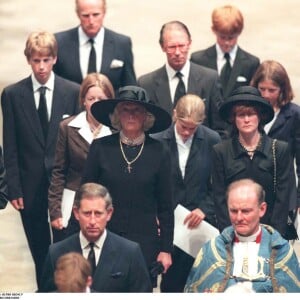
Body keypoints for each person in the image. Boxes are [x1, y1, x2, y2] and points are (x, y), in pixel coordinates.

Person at [1, 31, 80, 288]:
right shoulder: (13, 95)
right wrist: (14, 187)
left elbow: (76, 144)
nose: (42, 67)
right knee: (40, 252)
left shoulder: (72, 92)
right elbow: (10, 144)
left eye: (46, 60)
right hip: (30, 186)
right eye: (37, 61)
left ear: (55, 58)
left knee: (64, 251)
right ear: (28, 60)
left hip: (64, 187)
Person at [81, 85, 174, 287]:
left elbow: (166, 205)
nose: (131, 116)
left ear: (146, 117)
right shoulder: (100, 147)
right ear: (116, 115)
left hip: (145, 243)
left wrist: (166, 249)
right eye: (125, 110)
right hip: (105, 238)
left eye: (137, 110)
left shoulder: (160, 151)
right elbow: (84, 196)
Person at [152, 94, 221, 292]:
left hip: (198, 223)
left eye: (193, 128)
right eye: (183, 126)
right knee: (169, 284)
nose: (187, 132)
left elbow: (218, 183)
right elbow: (152, 184)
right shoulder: (158, 139)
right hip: (167, 223)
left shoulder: (212, 140)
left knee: (199, 282)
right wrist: (156, 214)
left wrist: (205, 208)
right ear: (175, 115)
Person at [185, 179, 300, 293]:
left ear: (262, 209)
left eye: (246, 211)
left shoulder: (282, 252)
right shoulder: (212, 249)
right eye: (234, 211)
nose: (239, 218)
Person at [211, 86, 296, 238]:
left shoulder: (279, 150)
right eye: (241, 115)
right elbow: (219, 198)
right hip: (234, 233)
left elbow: (282, 200)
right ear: (233, 119)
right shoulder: (220, 151)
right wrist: (230, 236)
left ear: (260, 117)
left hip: (270, 233)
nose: (246, 119)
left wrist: (273, 238)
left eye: (251, 114)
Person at [40, 182, 152, 292]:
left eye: (98, 214)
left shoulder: (130, 253)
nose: (92, 221)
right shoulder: (56, 253)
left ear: (109, 214)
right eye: (87, 213)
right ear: (76, 213)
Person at [48, 72, 114, 242]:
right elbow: (59, 171)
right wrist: (55, 211)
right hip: (72, 208)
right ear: (83, 101)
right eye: (91, 99)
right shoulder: (68, 127)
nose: (96, 104)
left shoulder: (117, 131)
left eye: (101, 99)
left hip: (107, 208)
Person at [137, 20, 227, 138]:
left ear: (189, 44)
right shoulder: (146, 84)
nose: (178, 52)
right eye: (172, 47)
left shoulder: (209, 79)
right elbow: (142, 129)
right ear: (163, 47)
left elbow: (220, 128)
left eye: (182, 46)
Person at [251, 60, 300, 233]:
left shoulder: (294, 115)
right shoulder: (249, 112)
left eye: (272, 90)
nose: (265, 95)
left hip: (283, 194)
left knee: (278, 250)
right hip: (252, 192)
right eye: (262, 89)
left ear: (282, 90)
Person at [53, 0, 136, 91]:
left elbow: (130, 87)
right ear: (77, 14)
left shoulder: (121, 44)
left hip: (110, 104)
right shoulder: (59, 42)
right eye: (85, 16)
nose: (91, 21)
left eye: (96, 15)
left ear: (104, 12)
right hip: (71, 104)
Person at [191, 5, 260, 101]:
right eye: (222, 37)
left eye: (231, 37)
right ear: (213, 30)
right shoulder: (198, 60)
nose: (227, 43)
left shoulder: (251, 63)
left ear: (239, 32)